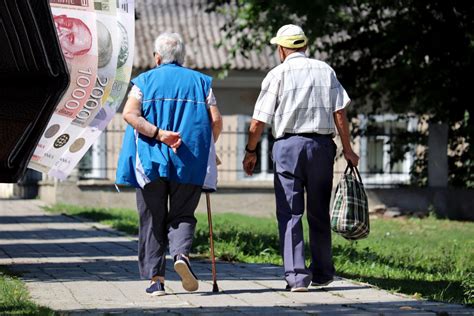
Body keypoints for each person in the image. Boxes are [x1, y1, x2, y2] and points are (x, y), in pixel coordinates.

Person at [242, 24, 359, 292]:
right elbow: (339, 113)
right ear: (304, 46)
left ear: (282, 49)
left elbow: (258, 121)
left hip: (288, 147)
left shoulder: (277, 73)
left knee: (290, 212)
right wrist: (348, 148)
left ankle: (296, 277)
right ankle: (322, 272)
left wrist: (250, 152)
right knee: (318, 211)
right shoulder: (325, 70)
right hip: (321, 146)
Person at [115, 32, 223, 296]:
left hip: (150, 161)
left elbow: (129, 114)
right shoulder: (201, 83)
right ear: (182, 57)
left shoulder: (143, 82)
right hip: (189, 161)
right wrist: (208, 148)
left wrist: (158, 133)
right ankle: (181, 256)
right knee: (183, 214)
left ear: (157, 57)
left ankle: (156, 281)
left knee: (152, 218)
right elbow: (216, 120)